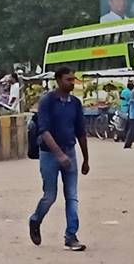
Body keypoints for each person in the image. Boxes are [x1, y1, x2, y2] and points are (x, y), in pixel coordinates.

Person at [28, 68, 91, 252]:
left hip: (70, 151)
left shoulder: (75, 104)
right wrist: (59, 154)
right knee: (50, 196)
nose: (71, 82)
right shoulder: (47, 102)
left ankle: (71, 235)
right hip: (49, 154)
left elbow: (81, 132)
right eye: (67, 79)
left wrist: (86, 159)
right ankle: (35, 219)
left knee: (72, 196)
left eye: (73, 79)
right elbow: (44, 131)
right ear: (58, 80)